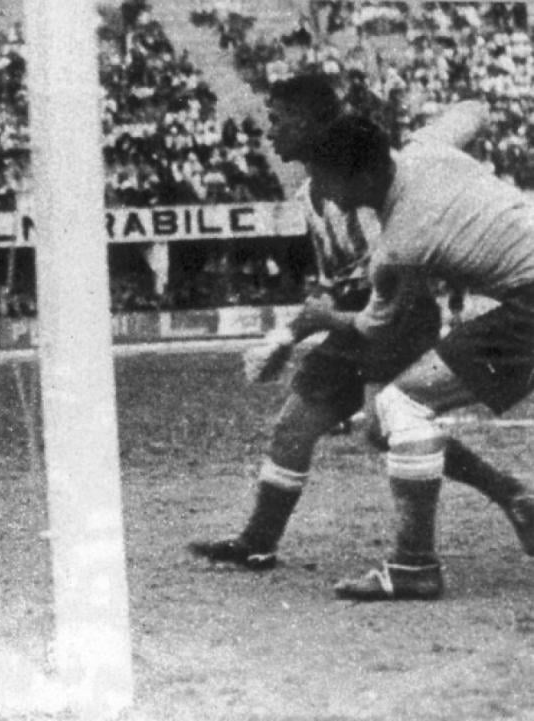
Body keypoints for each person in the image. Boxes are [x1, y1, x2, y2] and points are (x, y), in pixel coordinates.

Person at [188, 74, 534, 573]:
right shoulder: (323, 186)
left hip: (390, 319)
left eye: (278, 119)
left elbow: (388, 288)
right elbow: (340, 277)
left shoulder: (376, 195)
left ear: (310, 123)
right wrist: (291, 332)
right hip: (355, 313)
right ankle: (257, 541)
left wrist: (304, 329)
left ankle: (440, 545)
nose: (270, 131)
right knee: (295, 426)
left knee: (389, 422)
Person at [285, 114, 534, 600]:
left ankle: (413, 566)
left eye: (325, 179)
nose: (322, 192)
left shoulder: (400, 243)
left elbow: (373, 324)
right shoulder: (425, 146)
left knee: (400, 406)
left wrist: (318, 319)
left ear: (360, 177)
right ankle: (512, 499)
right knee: (388, 421)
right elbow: (475, 108)